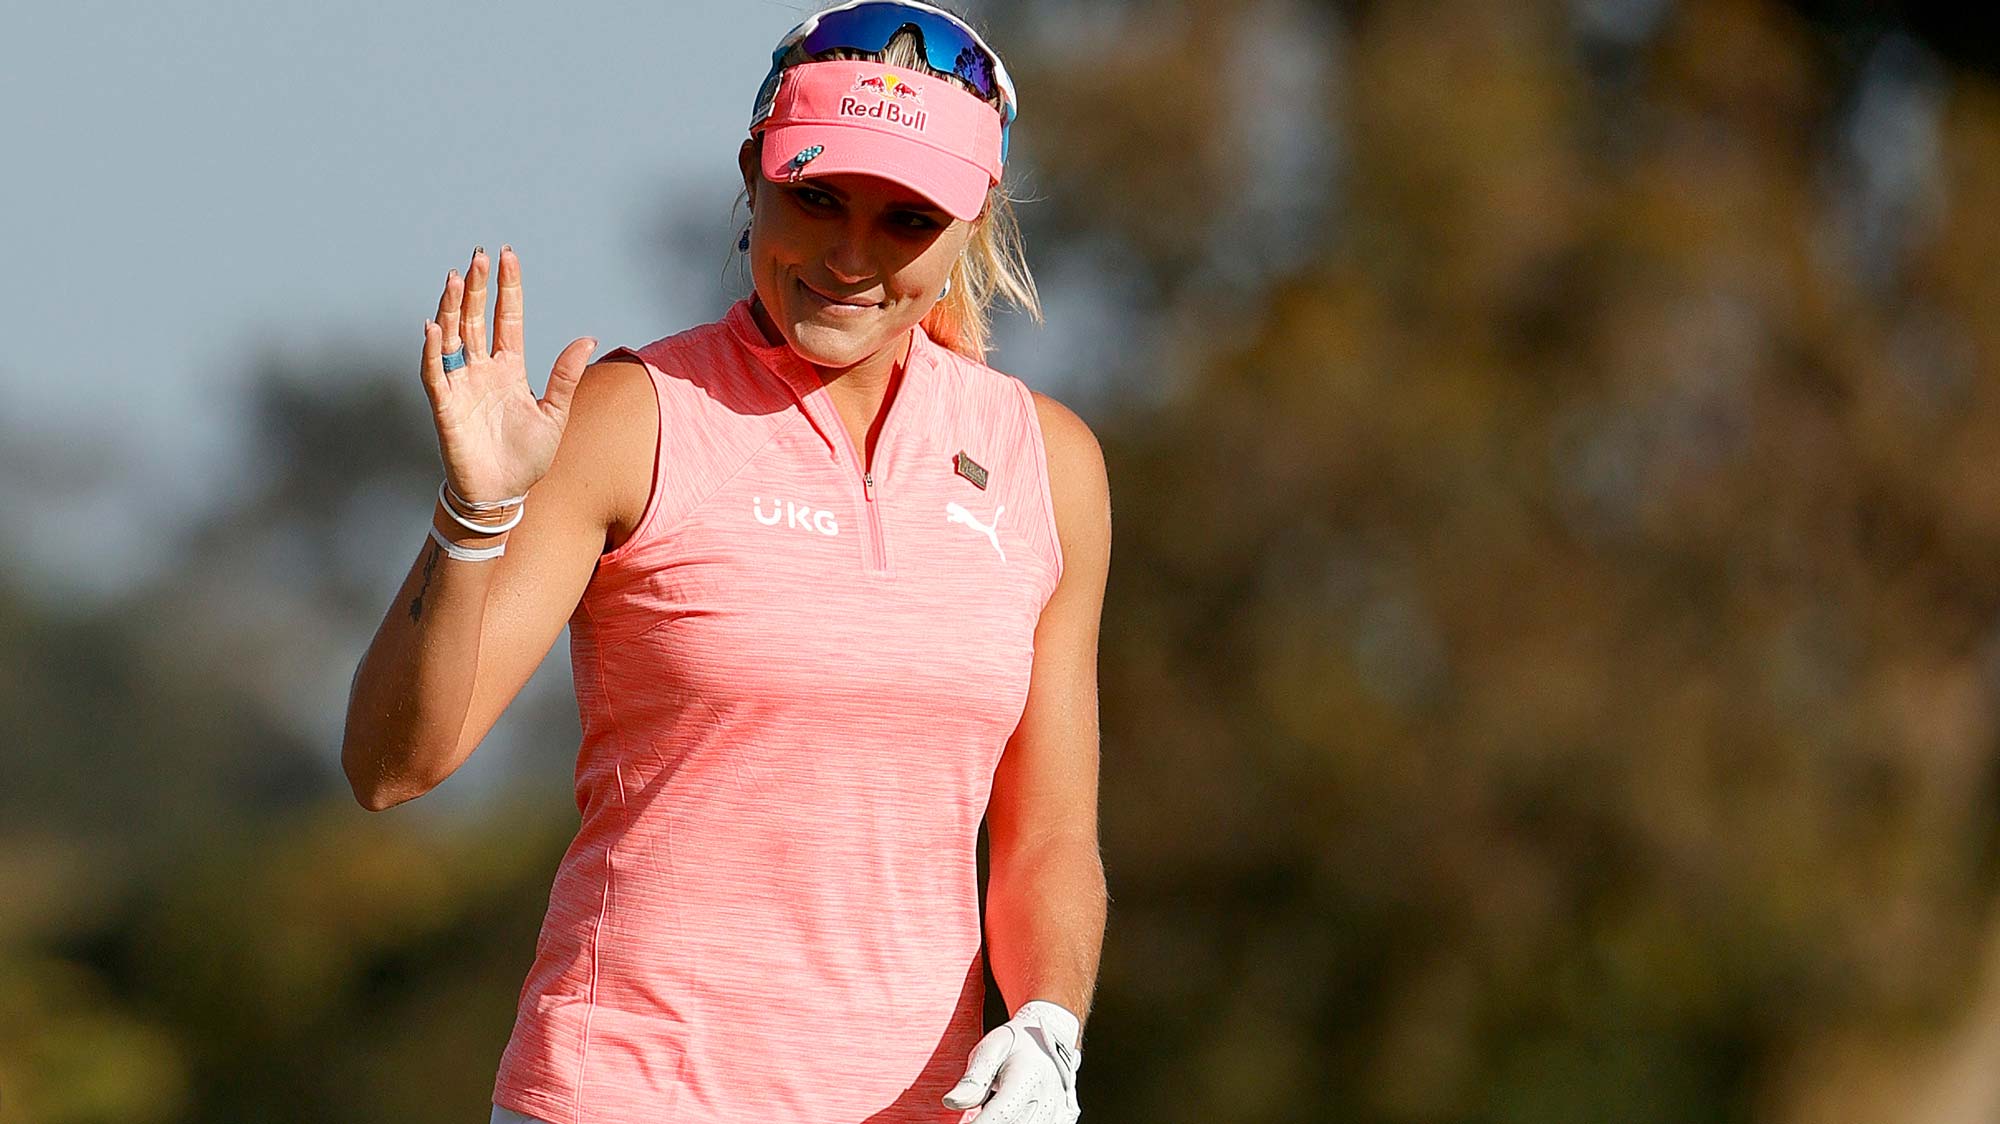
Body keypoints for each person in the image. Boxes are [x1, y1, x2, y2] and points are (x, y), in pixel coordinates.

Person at [339, 3, 1111, 1122]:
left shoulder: (1046, 463)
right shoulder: (631, 417)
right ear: (753, 175)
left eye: (905, 217)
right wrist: (474, 513)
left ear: (969, 222)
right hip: (625, 1093)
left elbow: (1045, 836)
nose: (850, 255)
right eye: (815, 198)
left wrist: (1050, 1023)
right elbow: (391, 764)